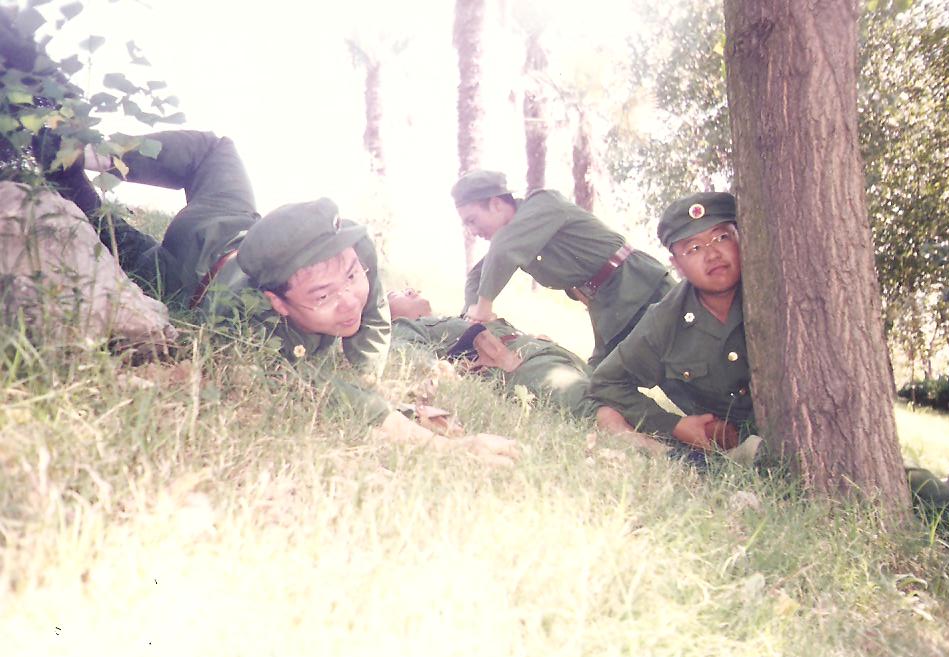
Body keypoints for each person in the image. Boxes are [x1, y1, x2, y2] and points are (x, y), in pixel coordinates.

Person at [34, 128, 518, 463]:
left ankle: (83, 156)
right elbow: (327, 395)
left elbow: (369, 305)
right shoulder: (251, 329)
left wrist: (366, 370)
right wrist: (447, 448)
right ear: (278, 304)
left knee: (217, 150)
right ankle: (62, 155)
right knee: (105, 233)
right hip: (191, 273)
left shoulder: (352, 247)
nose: (349, 300)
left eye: (350, 276)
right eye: (323, 296)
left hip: (237, 222)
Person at [588, 191, 949, 544]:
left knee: (907, 484)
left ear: (742, 238)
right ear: (676, 263)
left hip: (816, 435)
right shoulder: (666, 322)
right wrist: (677, 426)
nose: (712, 254)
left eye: (722, 237)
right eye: (693, 248)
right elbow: (607, 383)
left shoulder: (782, 290)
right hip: (744, 455)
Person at [451, 170, 676, 367]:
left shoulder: (543, 204)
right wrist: (471, 322)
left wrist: (483, 308)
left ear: (496, 204)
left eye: (472, 220)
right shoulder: (514, 237)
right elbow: (476, 275)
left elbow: (502, 249)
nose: (472, 231)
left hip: (639, 285)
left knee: (686, 358)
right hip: (605, 305)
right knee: (602, 382)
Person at [387, 287, 597, 419]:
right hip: (525, 366)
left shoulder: (450, 320)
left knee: (610, 390)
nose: (411, 290)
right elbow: (407, 351)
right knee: (596, 411)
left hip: (548, 354)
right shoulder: (405, 327)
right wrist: (439, 369)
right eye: (395, 294)